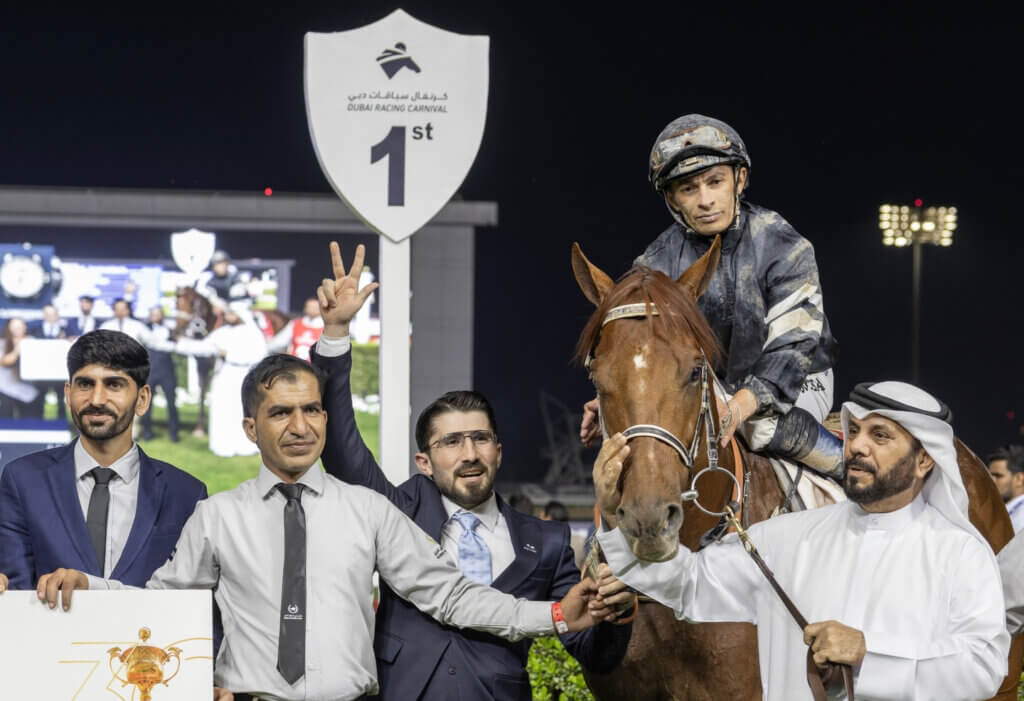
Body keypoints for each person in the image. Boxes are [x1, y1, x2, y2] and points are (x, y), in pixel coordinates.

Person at [37, 353, 620, 701]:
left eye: (312, 409)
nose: (300, 425)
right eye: (280, 412)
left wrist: (558, 613)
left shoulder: (367, 510)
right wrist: (94, 590)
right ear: (250, 428)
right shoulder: (216, 517)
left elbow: (451, 597)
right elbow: (164, 606)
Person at [311, 243, 632, 700]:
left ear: (499, 452)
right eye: (451, 442)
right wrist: (337, 332)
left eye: (481, 439)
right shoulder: (398, 510)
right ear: (423, 462)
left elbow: (587, 644)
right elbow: (341, 448)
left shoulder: (548, 542)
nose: (469, 453)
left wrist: (615, 613)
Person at [592, 380, 1009, 700]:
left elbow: (984, 668)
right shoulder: (783, 538)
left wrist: (869, 656)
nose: (857, 446)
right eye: (856, 430)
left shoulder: (960, 554)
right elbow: (688, 584)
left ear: (923, 460)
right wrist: (614, 515)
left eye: (880, 436)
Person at [581, 114, 842, 480]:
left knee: (759, 427)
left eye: (715, 182)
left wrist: (740, 406)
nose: (705, 200)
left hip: (799, 378)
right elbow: (646, 355)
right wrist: (618, 398)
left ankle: (851, 469)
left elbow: (793, 347)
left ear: (740, 179)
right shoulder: (654, 264)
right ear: (671, 198)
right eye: (688, 189)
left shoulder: (785, 245)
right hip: (708, 383)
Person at [0, 330, 207, 589]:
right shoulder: (23, 480)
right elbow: (16, 593)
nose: (96, 399)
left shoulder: (186, 493)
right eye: (85, 384)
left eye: (114, 384)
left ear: (142, 399)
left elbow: (192, 604)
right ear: (68, 394)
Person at [174, 302, 266, 457]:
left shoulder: (253, 334)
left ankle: (245, 446)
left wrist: (228, 354)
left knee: (242, 411)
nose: (228, 316)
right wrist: (182, 344)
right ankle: (222, 445)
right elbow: (205, 347)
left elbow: (259, 356)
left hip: (245, 376)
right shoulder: (221, 332)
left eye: (232, 313)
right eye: (227, 313)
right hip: (224, 375)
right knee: (222, 409)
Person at [139, 306, 179, 443]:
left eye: (158, 314)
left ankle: (174, 432)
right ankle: (147, 432)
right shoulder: (144, 330)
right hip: (150, 370)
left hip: (167, 370)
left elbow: (176, 345)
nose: (155, 316)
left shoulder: (169, 330)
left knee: (171, 402)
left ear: (162, 316)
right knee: (147, 403)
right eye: (153, 314)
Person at [29, 304, 69, 421]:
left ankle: (62, 424)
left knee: (61, 398)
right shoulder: (34, 329)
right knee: (39, 398)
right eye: (47, 314)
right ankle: (38, 424)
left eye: (53, 314)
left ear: (57, 315)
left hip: (59, 372)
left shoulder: (66, 330)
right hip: (41, 371)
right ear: (44, 315)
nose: (50, 316)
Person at [0, 317, 43, 419]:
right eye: (14, 326)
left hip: (29, 390)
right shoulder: (2, 343)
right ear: (9, 328)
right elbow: (4, 361)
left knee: (30, 419)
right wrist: (18, 348)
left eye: (20, 326)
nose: (17, 329)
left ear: (25, 327)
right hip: (6, 390)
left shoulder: (33, 341)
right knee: (7, 421)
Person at [988, 444, 1024, 533]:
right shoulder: (1002, 512)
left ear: (1019, 479)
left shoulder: (1021, 519)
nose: (991, 481)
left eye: (998, 476)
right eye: (989, 475)